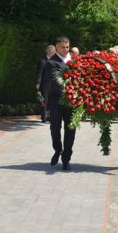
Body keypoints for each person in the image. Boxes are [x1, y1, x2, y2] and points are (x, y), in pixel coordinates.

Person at [44, 36, 75, 171]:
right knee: (55, 129)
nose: (66, 49)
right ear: (56, 47)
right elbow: (57, 81)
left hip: (72, 102)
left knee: (70, 130)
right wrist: (71, 88)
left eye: (68, 47)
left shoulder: (74, 59)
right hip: (56, 101)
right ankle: (58, 149)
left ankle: (66, 159)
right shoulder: (51, 62)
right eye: (63, 47)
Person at [36, 45, 56, 123]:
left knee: (51, 100)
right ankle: (44, 117)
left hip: (53, 84)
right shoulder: (43, 61)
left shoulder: (54, 60)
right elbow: (39, 73)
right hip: (44, 84)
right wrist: (37, 83)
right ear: (49, 51)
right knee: (44, 100)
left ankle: (49, 116)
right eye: (53, 51)